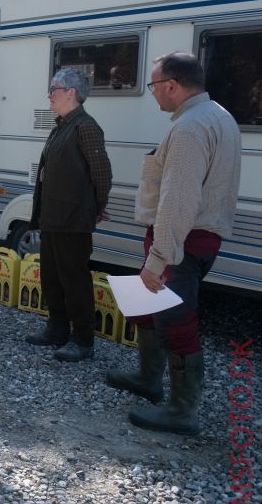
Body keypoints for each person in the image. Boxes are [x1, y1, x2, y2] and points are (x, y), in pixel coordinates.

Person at [108, 52, 240, 436]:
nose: (152, 94)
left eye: (153, 85)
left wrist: (158, 257)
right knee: (152, 310)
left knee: (177, 322)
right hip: (196, 237)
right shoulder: (219, 115)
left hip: (180, 240)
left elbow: (178, 200)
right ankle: (148, 379)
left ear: (171, 85)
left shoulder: (189, 128)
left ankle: (183, 411)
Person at [24, 68, 112, 362]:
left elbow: (101, 172)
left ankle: (83, 340)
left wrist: (97, 207)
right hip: (53, 217)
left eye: (53, 89)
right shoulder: (61, 124)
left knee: (74, 281)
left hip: (73, 219)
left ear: (71, 93)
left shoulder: (85, 126)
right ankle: (57, 329)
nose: (49, 95)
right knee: (52, 278)